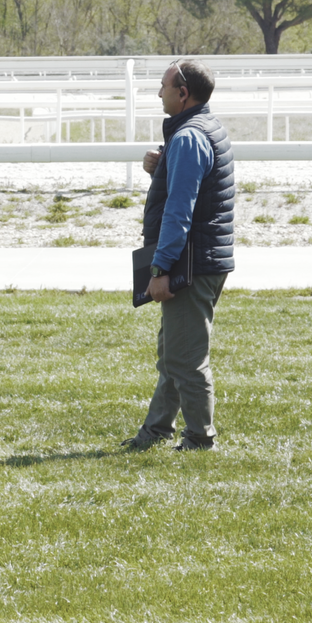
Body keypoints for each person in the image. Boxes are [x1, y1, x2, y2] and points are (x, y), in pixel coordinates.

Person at [125, 58, 235, 452]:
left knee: (186, 358)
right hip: (203, 258)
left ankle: (200, 439)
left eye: (164, 86)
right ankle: (155, 430)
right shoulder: (200, 129)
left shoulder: (189, 137)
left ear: (183, 93)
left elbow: (179, 210)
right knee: (174, 351)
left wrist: (160, 269)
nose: (159, 93)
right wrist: (161, 168)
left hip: (190, 263)